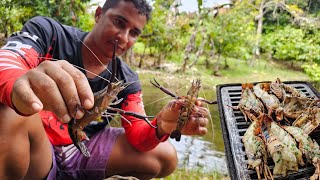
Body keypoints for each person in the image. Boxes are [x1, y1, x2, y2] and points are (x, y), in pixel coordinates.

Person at [0, 0, 209, 179]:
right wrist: (18, 84)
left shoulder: (126, 79)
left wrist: (162, 125)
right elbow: (8, 60)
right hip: (38, 146)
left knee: (165, 155)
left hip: (82, 149)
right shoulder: (49, 33)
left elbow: (139, 135)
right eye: (119, 22)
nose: (124, 37)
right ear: (99, 14)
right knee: (9, 108)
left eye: (134, 33)